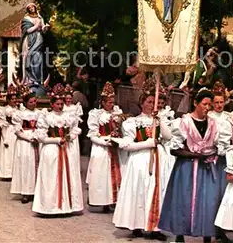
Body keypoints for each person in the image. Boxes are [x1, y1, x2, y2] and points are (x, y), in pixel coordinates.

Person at [158, 88, 224, 243]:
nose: (207, 108)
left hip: (207, 168)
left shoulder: (214, 123)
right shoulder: (183, 122)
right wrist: (195, 155)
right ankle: (180, 234)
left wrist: (213, 153)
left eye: (210, 105)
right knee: (183, 199)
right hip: (186, 167)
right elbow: (174, 149)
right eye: (204, 104)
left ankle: (206, 233)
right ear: (195, 103)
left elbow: (218, 145)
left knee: (208, 200)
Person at [112, 78, 172, 240]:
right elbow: (128, 145)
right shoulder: (133, 122)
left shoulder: (159, 119)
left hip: (158, 160)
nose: (152, 105)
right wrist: (147, 143)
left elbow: (168, 136)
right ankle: (136, 224)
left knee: (155, 191)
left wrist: (159, 118)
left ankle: (155, 227)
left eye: (155, 102)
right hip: (140, 161)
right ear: (142, 103)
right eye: (149, 102)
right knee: (139, 191)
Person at [32, 84, 83, 215]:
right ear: (52, 104)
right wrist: (56, 140)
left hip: (67, 149)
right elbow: (41, 137)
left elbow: (74, 131)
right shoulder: (46, 117)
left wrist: (69, 136)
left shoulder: (69, 116)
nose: (60, 106)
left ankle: (67, 207)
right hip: (51, 149)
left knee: (68, 175)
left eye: (61, 104)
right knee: (51, 178)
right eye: (58, 104)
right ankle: (49, 207)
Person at [86, 82, 125, 211]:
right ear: (103, 102)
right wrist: (104, 142)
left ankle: (115, 199)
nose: (111, 104)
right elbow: (93, 134)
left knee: (118, 171)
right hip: (102, 146)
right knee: (102, 173)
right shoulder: (96, 114)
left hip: (115, 145)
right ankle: (103, 200)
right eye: (109, 102)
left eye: (112, 102)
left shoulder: (118, 112)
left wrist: (118, 139)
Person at [10, 87, 42, 204]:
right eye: (31, 102)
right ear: (25, 103)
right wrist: (29, 138)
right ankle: (25, 191)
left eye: (35, 101)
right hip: (25, 142)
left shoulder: (40, 113)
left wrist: (38, 136)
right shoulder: (20, 114)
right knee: (25, 165)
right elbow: (18, 131)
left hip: (37, 139)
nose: (34, 104)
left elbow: (43, 127)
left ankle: (36, 190)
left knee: (36, 164)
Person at [20, 2, 50, 87]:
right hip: (30, 40)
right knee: (30, 57)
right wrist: (37, 26)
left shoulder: (40, 17)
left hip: (39, 39)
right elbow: (27, 31)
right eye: (29, 8)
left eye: (32, 7)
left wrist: (46, 27)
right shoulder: (26, 19)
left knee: (38, 59)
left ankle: (38, 80)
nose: (31, 9)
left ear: (35, 7)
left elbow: (43, 29)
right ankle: (30, 79)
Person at [0, 84, 19, 180]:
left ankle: (16, 173)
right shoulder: (5, 109)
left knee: (15, 151)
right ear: (9, 100)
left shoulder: (18, 109)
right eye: (12, 99)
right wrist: (4, 136)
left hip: (16, 130)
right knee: (8, 151)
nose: (14, 101)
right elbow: (4, 123)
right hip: (9, 131)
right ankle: (7, 173)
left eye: (15, 99)